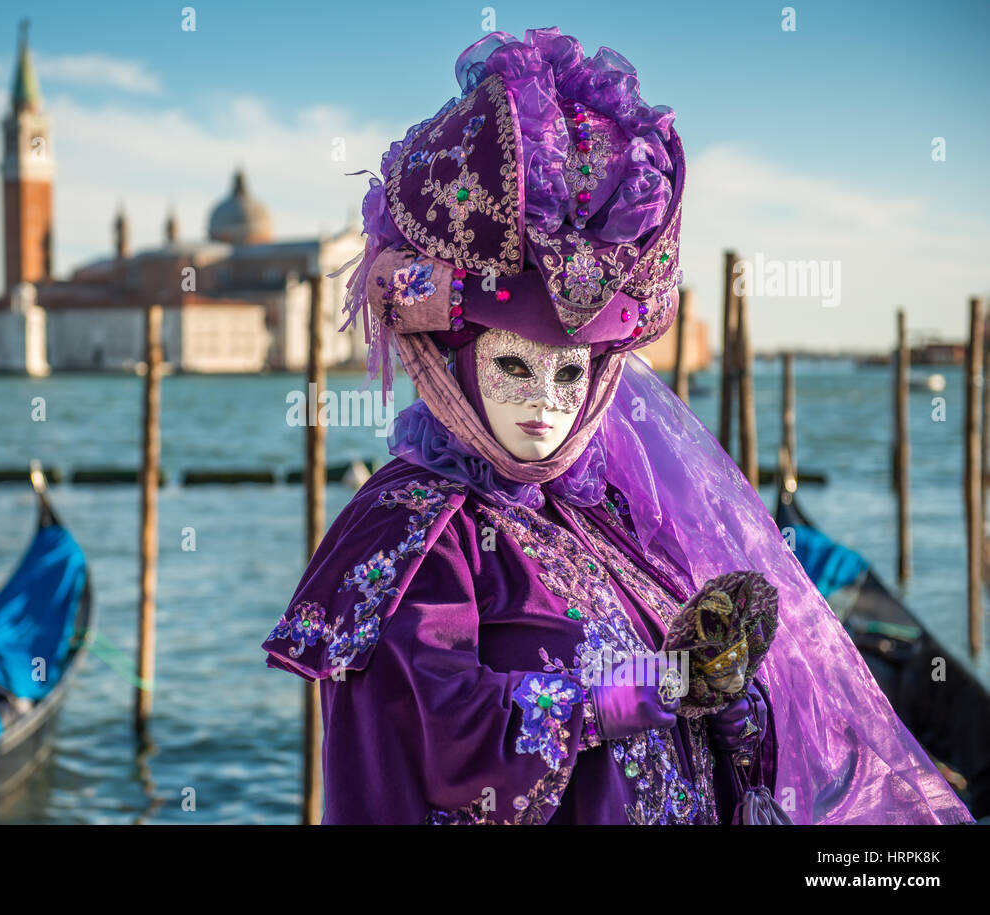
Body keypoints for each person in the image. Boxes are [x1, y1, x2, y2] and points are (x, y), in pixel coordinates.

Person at [261, 26, 972, 825]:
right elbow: (450, 742)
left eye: (572, 373)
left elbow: (688, 722)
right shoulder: (414, 530)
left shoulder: (599, 512)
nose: (549, 404)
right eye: (514, 366)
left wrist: (724, 690)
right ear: (454, 362)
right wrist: (654, 686)